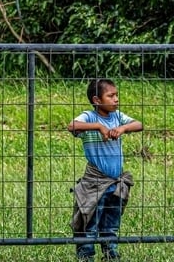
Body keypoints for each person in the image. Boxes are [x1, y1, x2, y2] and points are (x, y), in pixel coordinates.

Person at [68, 78, 143, 262]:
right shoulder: (89, 117)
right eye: (111, 96)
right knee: (90, 220)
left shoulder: (118, 117)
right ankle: (86, 256)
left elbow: (139, 124)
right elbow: (72, 126)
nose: (116, 99)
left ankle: (111, 255)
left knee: (111, 222)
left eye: (116, 95)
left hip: (116, 182)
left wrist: (123, 128)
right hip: (95, 182)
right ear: (97, 100)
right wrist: (99, 127)